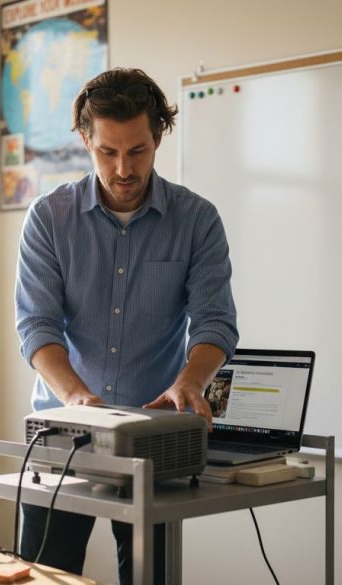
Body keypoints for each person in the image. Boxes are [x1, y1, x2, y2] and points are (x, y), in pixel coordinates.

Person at [14, 67, 238, 584]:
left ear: (157, 137)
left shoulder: (197, 220)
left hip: (153, 441)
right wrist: (75, 398)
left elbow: (216, 323)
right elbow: (36, 326)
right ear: (85, 139)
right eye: (107, 152)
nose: (122, 169)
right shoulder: (50, 218)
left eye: (137, 151)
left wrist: (189, 382)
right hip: (63, 435)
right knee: (46, 577)